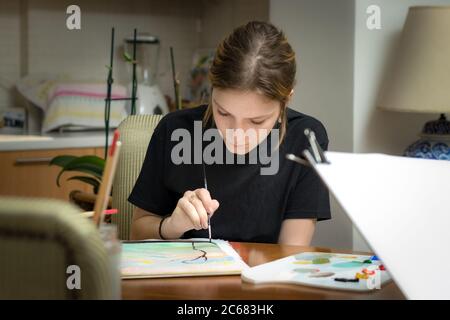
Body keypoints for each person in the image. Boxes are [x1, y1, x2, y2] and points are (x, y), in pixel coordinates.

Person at [128, 21, 330, 245]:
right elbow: (136, 232)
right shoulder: (175, 130)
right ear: (212, 89)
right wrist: (173, 225)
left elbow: (291, 251)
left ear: (286, 100)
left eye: (256, 120)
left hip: (264, 278)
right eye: (223, 113)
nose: (237, 134)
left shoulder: (306, 138)